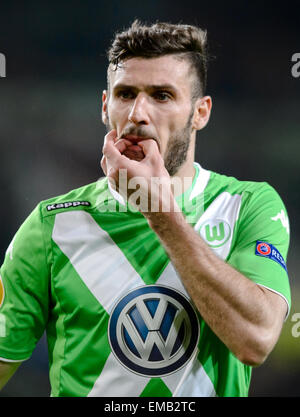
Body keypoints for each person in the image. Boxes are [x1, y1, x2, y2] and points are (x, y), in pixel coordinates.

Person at [0, 20, 291, 397]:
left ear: (200, 113)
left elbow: (256, 339)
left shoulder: (248, 206)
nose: (138, 113)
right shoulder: (51, 224)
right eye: (125, 94)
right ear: (106, 108)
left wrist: (160, 213)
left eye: (162, 95)